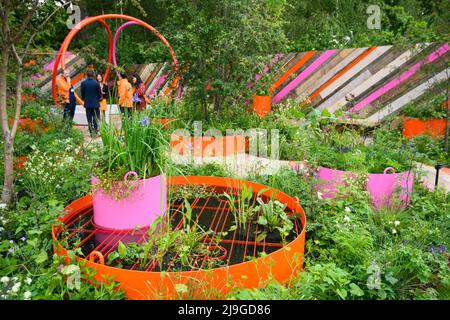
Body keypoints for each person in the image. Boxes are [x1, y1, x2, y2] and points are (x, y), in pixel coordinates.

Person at [80, 69, 102, 137]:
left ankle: (90, 131)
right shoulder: (96, 83)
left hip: (88, 103)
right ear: (93, 74)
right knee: (96, 118)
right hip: (95, 103)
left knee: (89, 118)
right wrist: (97, 99)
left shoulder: (83, 83)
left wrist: (84, 99)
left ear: (87, 75)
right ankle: (95, 130)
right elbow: (99, 94)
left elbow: (82, 94)